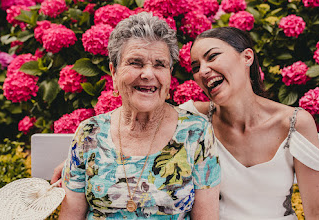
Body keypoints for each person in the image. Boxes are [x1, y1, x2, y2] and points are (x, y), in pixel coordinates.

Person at [58, 12, 221, 220]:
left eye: (159, 64)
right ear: (114, 73)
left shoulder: (196, 132)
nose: (147, 74)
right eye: (135, 63)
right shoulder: (89, 134)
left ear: (170, 75)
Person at [179, 26, 319, 219]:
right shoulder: (192, 118)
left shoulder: (294, 123)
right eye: (196, 67)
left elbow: (317, 212)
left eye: (212, 56)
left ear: (247, 57)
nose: (203, 71)